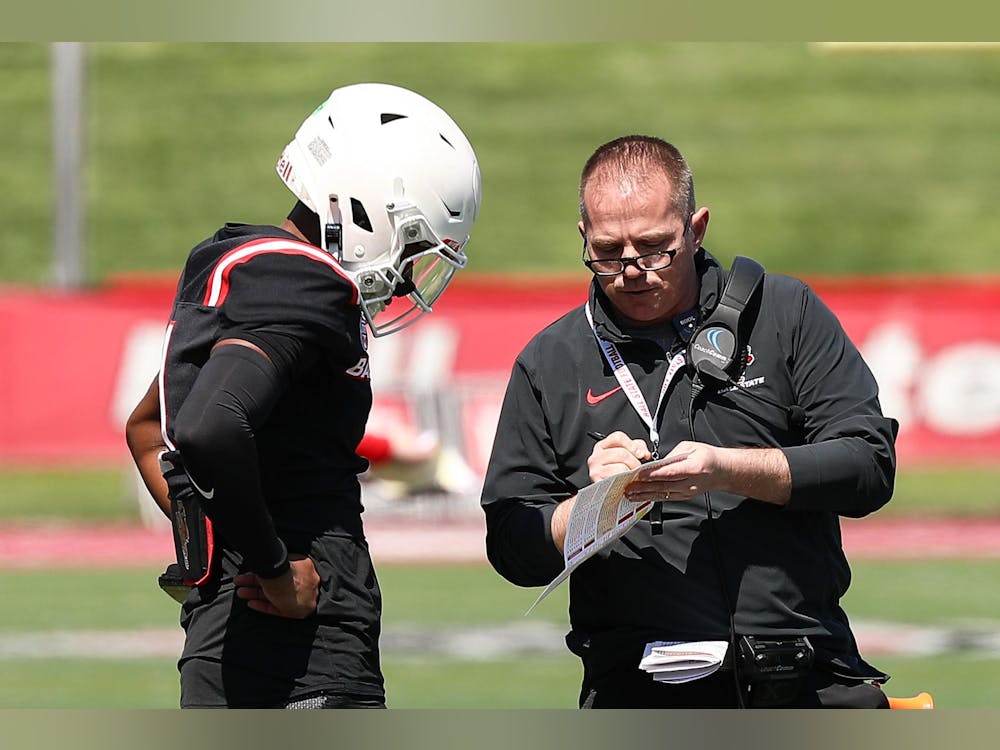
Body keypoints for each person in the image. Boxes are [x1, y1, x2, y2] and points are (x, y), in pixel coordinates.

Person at [480, 135, 897, 709]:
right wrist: (593, 507)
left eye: (655, 249)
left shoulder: (785, 312)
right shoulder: (550, 361)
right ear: (583, 238)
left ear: (696, 229)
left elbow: (869, 466)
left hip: (807, 674)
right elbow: (510, 545)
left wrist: (728, 470)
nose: (632, 271)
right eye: (608, 252)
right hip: (638, 690)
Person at [125, 82, 481, 709]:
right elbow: (210, 426)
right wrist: (272, 567)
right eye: (414, 245)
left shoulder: (244, 264)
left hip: (222, 645)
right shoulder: (305, 283)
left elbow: (149, 430)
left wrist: (215, 546)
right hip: (300, 659)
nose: (406, 277)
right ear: (370, 208)